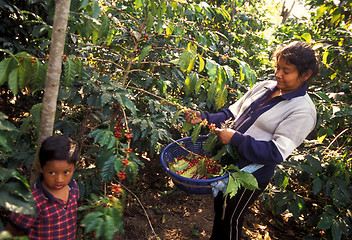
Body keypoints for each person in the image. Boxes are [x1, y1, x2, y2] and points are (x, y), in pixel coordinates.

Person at [184, 41, 319, 240]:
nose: (278, 74)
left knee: (231, 218)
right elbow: (231, 113)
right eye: (277, 67)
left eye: (286, 71)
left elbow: (276, 152)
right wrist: (204, 117)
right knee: (220, 211)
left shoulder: (302, 110)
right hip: (226, 163)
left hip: (249, 173)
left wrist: (236, 139)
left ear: (305, 75)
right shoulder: (264, 87)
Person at [6, 135, 80, 240]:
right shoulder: (32, 201)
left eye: (66, 172)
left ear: (74, 167)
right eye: (52, 172)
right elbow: (13, 231)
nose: (59, 179)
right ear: (41, 168)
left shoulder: (73, 188)